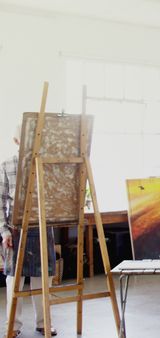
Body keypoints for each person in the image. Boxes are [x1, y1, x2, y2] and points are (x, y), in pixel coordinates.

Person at [1, 125, 57, 337]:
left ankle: (44, 322)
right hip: (15, 231)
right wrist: (5, 232)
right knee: (14, 279)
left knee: (43, 278)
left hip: (42, 228)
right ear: (16, 141)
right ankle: (12, 326)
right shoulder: (6, 165)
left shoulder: (46, 165)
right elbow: (0, 203)